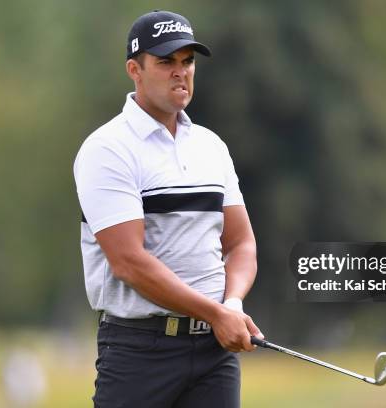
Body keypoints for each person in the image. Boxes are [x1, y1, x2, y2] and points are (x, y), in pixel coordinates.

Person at [73, 10, 264, 408]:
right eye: (165, 62)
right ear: (134, 69)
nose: (181, 72)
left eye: (187, 61)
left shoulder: (211, 146)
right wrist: (215, 313)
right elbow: (129, 262)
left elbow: (242, 243)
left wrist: (232, 304)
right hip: (140, 350)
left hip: (214, 353)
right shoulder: (107, 148)